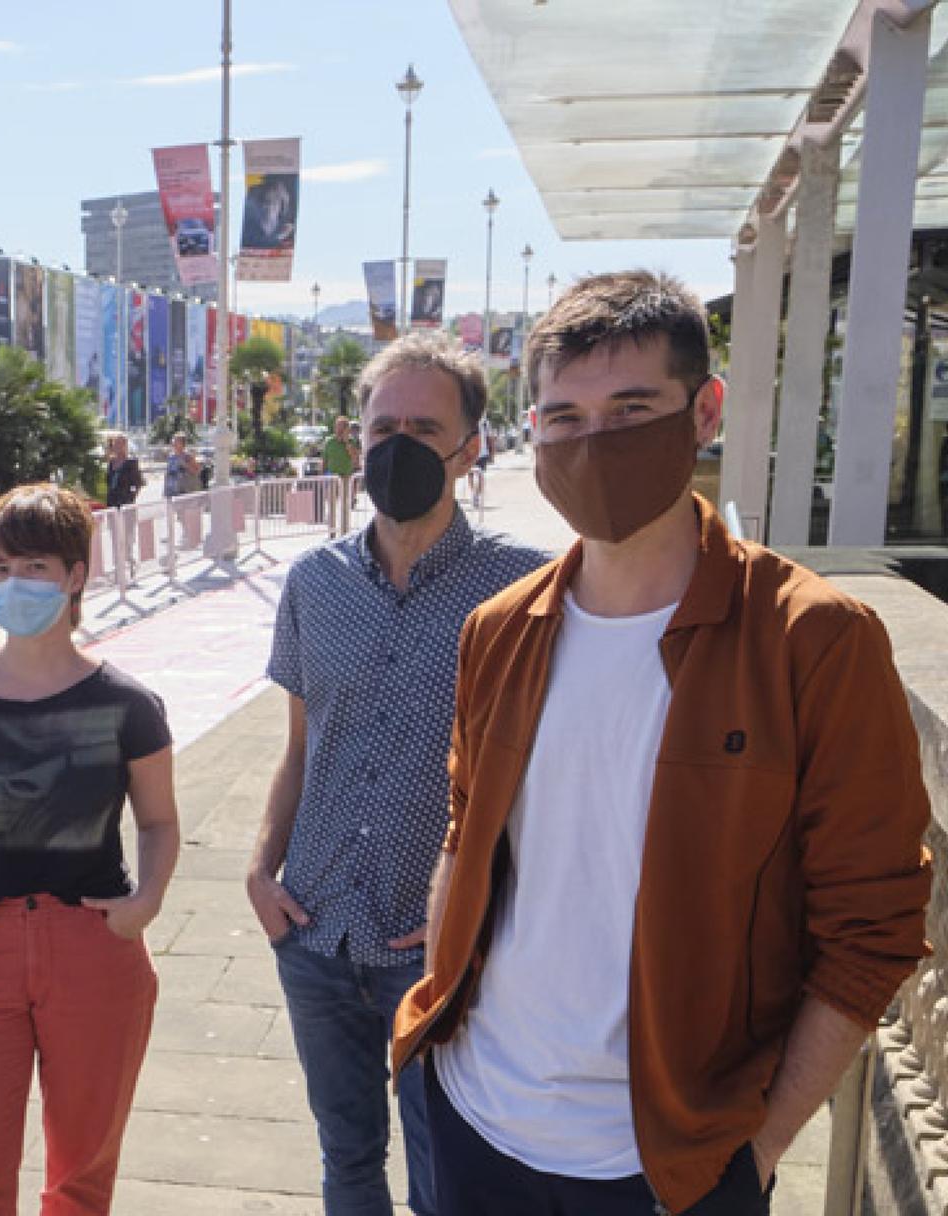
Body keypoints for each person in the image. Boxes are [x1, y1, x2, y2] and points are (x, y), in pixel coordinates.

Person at [394, 272, 933, 1215]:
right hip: (471, 1118)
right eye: (563, 417)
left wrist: (756, 1151)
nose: (594, 443)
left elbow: (874, 927)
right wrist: (433, 1026)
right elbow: (464, 831)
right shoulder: (499, 628)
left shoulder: (815, 640)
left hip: (674, 1168)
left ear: (706, 411)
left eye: (632, 406)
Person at [246, 332, 547, 1216]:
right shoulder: (312, 583)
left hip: (442, 954)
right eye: (385, 427)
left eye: (425, 426)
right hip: (316, 932)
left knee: (444, 1181)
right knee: (346, 1164)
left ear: (469, 446)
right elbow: (300, 748)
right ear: (358, 435)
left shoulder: (521, 590)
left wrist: (482, 908)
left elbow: (537, 780)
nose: (400, 446)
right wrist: (262, 872)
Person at [0, 482, 179, 1215]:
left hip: (93, 946)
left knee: (82, 1172)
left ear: (76, 574)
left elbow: (159, 821)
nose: (13, 583)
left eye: (33, 567)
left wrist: (145, 903)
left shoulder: (127, 706)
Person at [104, 432, 144, 510]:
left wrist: (131, 498)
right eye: (115, 443)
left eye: (119, 443)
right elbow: (108, 481)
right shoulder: (111, 462)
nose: (116, 446)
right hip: (111, 502)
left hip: (125, 503)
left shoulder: (131, 462)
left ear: (125, 445)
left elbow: (138, 483)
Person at [162, 433, 200, 499]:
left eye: (176, 441)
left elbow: (196, 471)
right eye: (173, 441)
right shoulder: (171, 456)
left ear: (182, 444)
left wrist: (185, 465)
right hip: (170, 492)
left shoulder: (187, 456)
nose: (173, 443)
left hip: (183, 492)